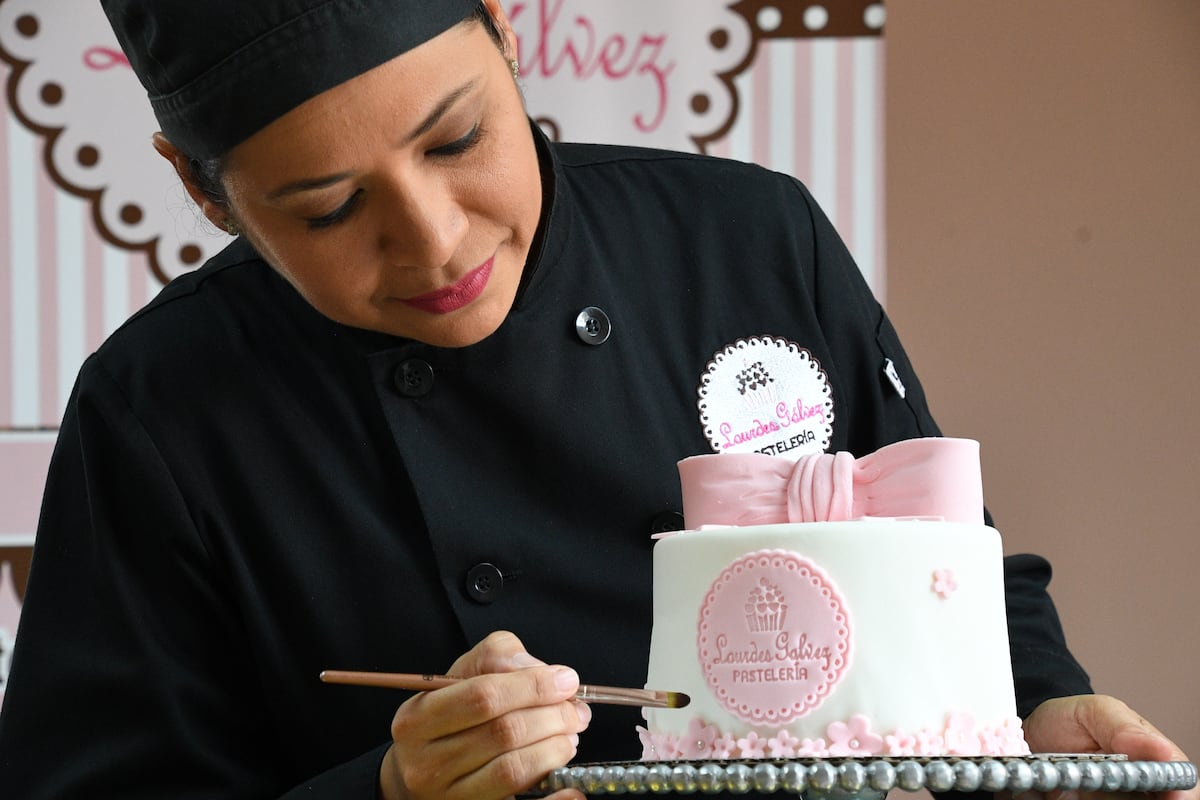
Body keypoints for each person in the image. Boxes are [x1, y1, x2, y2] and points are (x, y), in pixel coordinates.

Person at [0, 1, 1191, 798]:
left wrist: (1045, 708)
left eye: (458, 139)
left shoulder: (747, 239)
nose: (434, 240)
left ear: (505, 26)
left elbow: (941, 572)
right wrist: (391, 787)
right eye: (329, 208)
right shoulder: (160, 410)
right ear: (202, 191)